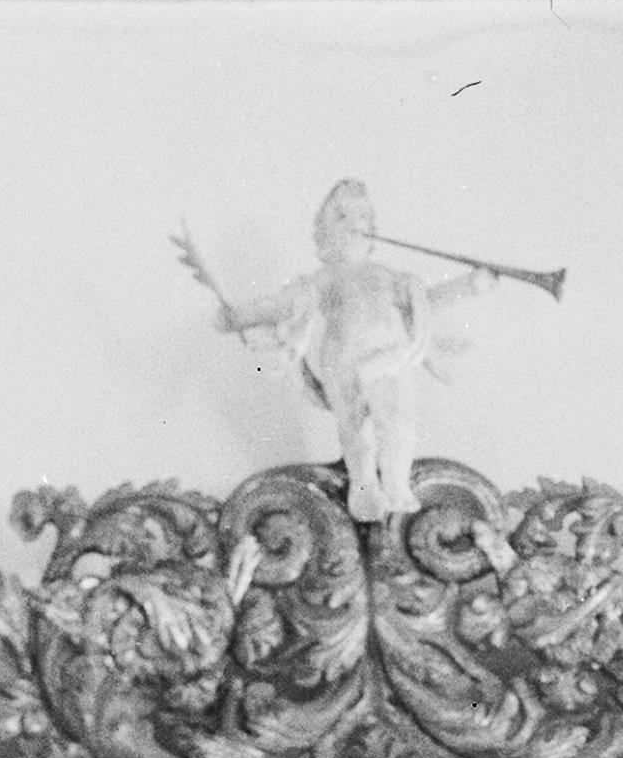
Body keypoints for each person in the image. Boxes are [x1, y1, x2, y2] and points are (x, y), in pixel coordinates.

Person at [210, 181, 492, 525]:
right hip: (344, 362)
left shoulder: (388, 277)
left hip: (390, 358)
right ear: (325, 230)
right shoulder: (325, 279)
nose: (354, 224)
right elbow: (283, 305)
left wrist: (470, 286)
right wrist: (239, 317)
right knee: (357, 430)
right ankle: (364, 487)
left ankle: (397, 484)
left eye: (362, 216)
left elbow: (426, 303)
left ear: (373, 228)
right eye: (342, 217)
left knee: (400, 423)